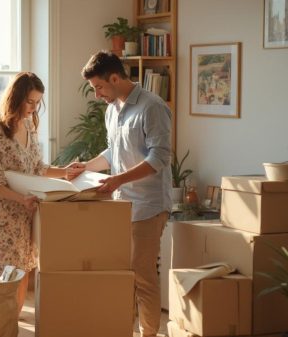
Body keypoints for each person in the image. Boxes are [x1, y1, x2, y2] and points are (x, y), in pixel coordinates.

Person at [79, 51, 172, 337]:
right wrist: (85, 166)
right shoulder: (112, 110)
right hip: (121, 205)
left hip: (148, 205)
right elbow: (114, 152)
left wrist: (118, 180)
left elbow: (159, 158)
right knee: (123, 274)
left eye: (99, 87)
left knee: (142, 275)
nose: (96, 94)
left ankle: (149, 333)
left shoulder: (152, 107)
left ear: (115, 78)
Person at [0, 72, 82, 317]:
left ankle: (9, 324)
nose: (34, 108)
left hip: (26, 215)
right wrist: (20, 199)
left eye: (37, 103)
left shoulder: (29, 127)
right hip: (2, 215)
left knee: (22, 272)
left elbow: (37, 168)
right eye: (30, 102)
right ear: (15, 99)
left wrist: (65, 172)